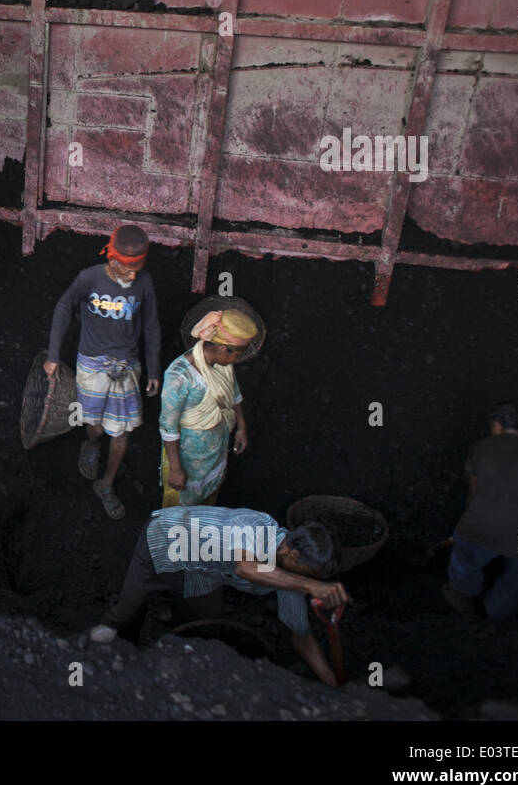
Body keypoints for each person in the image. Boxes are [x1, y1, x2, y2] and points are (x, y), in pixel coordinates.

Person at [89, 505, 349, 686]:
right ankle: (115, 653)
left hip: (202, 572)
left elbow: (302, 638)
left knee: (204, 620)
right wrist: (309, 586)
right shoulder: (256, 525)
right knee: (129, 608)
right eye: (310, 573)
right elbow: (244, 567)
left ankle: (170, 651)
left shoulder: (291, 581)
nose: (310, 581)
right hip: (164, 543)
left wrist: (332, 682)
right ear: (292, 554)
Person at [45, 225, 161, 519]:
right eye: (126, 269)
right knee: (94, 422)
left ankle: (106, 483)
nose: (132, 276)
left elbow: (151, 326)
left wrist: (153, 369)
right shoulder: (90, 278)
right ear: (111, 258)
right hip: (92, 364)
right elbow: (63, 306)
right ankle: (92, 443)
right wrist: (53, 355)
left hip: (126, 365)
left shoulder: (144, 282)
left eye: (138, 268)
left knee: (121, 430)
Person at [443, 401, 518, 619]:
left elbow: (474, 493)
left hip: (482, 523)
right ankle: (499, 615)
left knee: (465, 558)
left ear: (497, 425)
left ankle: (464, 599)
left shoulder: (481, 448)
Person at [158, 308, 258, 508]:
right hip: (188, 456)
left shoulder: (223, 366)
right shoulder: (180, 376)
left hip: (216, 448)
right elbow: (168, 427)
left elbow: (233, 394)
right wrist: (176, 469)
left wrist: (241, 426)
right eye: (236, 355)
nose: (236, 361)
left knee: (207, 497)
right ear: (223, 349)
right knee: (179, 510)